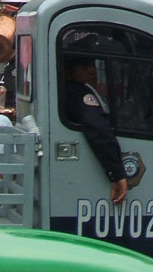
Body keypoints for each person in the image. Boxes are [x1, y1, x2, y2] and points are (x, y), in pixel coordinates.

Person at [63, 56, 128, 204]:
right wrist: (116, 173)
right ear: (69, 73)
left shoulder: (70, 90)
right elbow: (97, 128)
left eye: (92, 65)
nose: (92, 71)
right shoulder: (80, 93)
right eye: (84, 68)